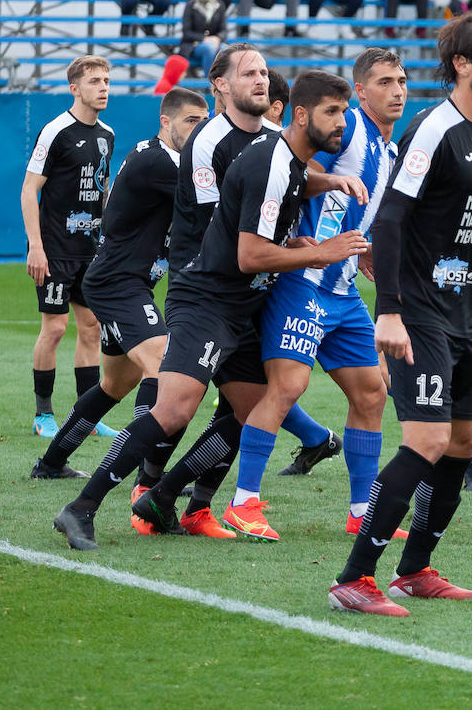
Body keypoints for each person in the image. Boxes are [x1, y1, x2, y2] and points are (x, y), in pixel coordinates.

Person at [53, 69, 367, 552]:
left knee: (250, 410)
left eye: (345, 111)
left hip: (242, 304)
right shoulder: (264, 158)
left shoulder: (286, 159)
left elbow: (293, 187)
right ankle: (82, 507)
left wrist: (325, 191)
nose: (343, 121)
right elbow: (250, 255)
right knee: (174, 407)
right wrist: (319, 252)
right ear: (301, 115)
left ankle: (164, 496)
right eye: (333, 112)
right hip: (207, 299)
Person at [326, 13, 472, 614]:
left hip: (468, 314)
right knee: (428, 438)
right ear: (462, 64)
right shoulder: (433, 128)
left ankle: (415, 571)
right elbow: (389, 219)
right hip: (421, 313)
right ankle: (354, 579)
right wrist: (389, 311)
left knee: (463, 442)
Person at [222, 49, 407, 542]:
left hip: (342, 290)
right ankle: (243, 504)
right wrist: (304, 242)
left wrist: (357, 250)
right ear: (362, 90)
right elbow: (293, 177)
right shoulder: (344, 135)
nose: (398, 91)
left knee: (371, 391)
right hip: (302, 283)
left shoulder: (386, 149)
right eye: (386, 82)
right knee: (286, 388)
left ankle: (361, 510)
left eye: (403, 81)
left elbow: (344, 206)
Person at [31, 89, 208, 480]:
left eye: (204, 122)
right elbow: (212, 199)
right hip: (119, 284)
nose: (199, 130)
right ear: (166, 121)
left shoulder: (162, 157)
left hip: (128, 283)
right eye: (191, 121)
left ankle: (51, 463)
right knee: (161, 366)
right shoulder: (160, 161)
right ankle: (148, 477)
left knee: (114, 384)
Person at [21, 56, 116, 439]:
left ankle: (86, 416)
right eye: (95, 81)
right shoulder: (56, 130)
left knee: (91, 329)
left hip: (89, 251)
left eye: (107, 80)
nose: (104, 87)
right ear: (75, 88)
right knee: (56, 328)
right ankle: (43, 413)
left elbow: (103, 191)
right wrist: (35, 246)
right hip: (55, 249)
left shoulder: (107, 134)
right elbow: (30, 190)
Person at [160, 0, 226, 89]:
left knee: (227, 51)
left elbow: (223, 30)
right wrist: (204, 39)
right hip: (193, 46)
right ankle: (210, 86)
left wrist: (218, 38)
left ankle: (224, 86)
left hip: (214, 44)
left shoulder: (219, 5)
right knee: (209, 48)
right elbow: (187, 32)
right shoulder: (190, 5)